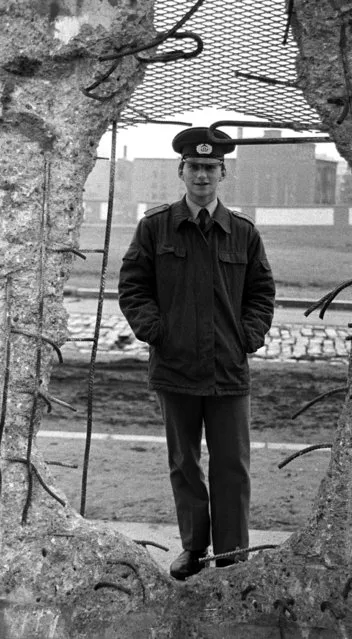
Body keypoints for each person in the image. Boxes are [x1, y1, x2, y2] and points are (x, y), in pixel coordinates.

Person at [118, 127, 275, 580]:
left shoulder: (242, 232)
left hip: (228, 369)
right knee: (184, 464)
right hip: (175, 367)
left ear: (222, 173)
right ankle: (192, 548)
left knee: (232, 466)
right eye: (194, 167)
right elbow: (133, 287)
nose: (201, 174)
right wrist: (156, 331)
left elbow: (262, 292)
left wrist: (248, 336)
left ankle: (231, 556)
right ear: (181, 171)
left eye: (210, 167)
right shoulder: (155, 226)